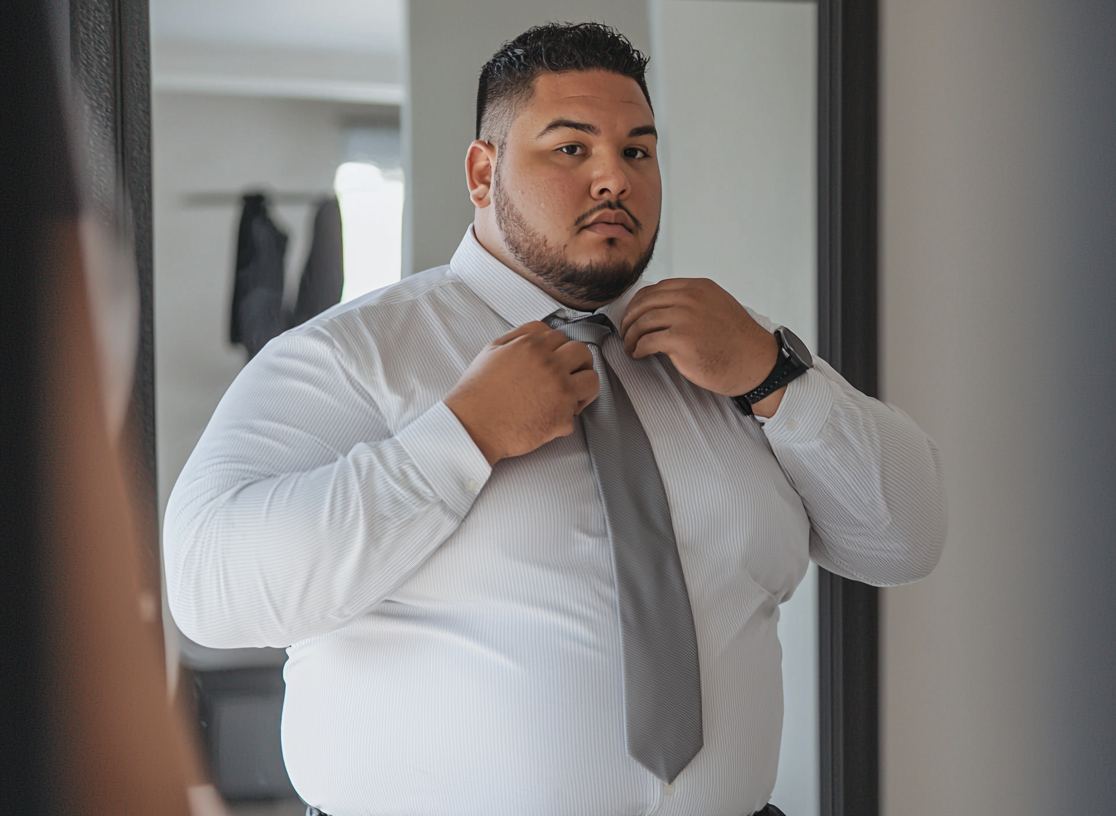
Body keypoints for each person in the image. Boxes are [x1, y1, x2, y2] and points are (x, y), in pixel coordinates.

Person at [164, 22, 945, 816]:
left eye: (638, 151)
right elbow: (207, 589)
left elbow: (905, 539)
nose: (615, 178)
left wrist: (778, 376)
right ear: (482, 172)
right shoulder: (349, 357)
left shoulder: (729, 354)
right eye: (571, 149)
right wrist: (460, 436)